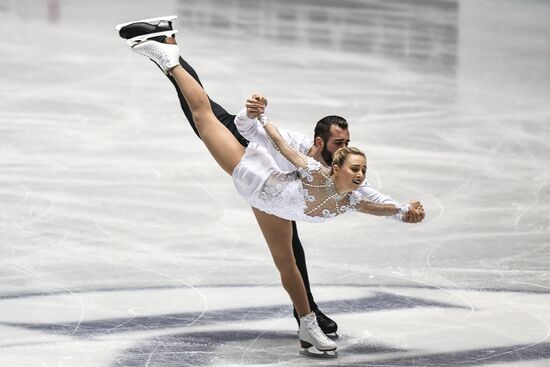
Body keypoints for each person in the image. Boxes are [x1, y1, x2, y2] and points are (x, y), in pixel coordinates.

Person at [116, 17, 425, 340]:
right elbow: (268, 138)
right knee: (200, 111)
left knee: (200, 109)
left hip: (271, 186)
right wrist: (255, 114)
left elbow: (372, 199)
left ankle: (166, 46)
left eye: (347, 146)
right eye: (339, 145)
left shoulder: (345, 180)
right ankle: (164, 51)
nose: (345, 152)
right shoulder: (305, 156)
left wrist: (403, 210)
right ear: (319, 144)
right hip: (252, 150)